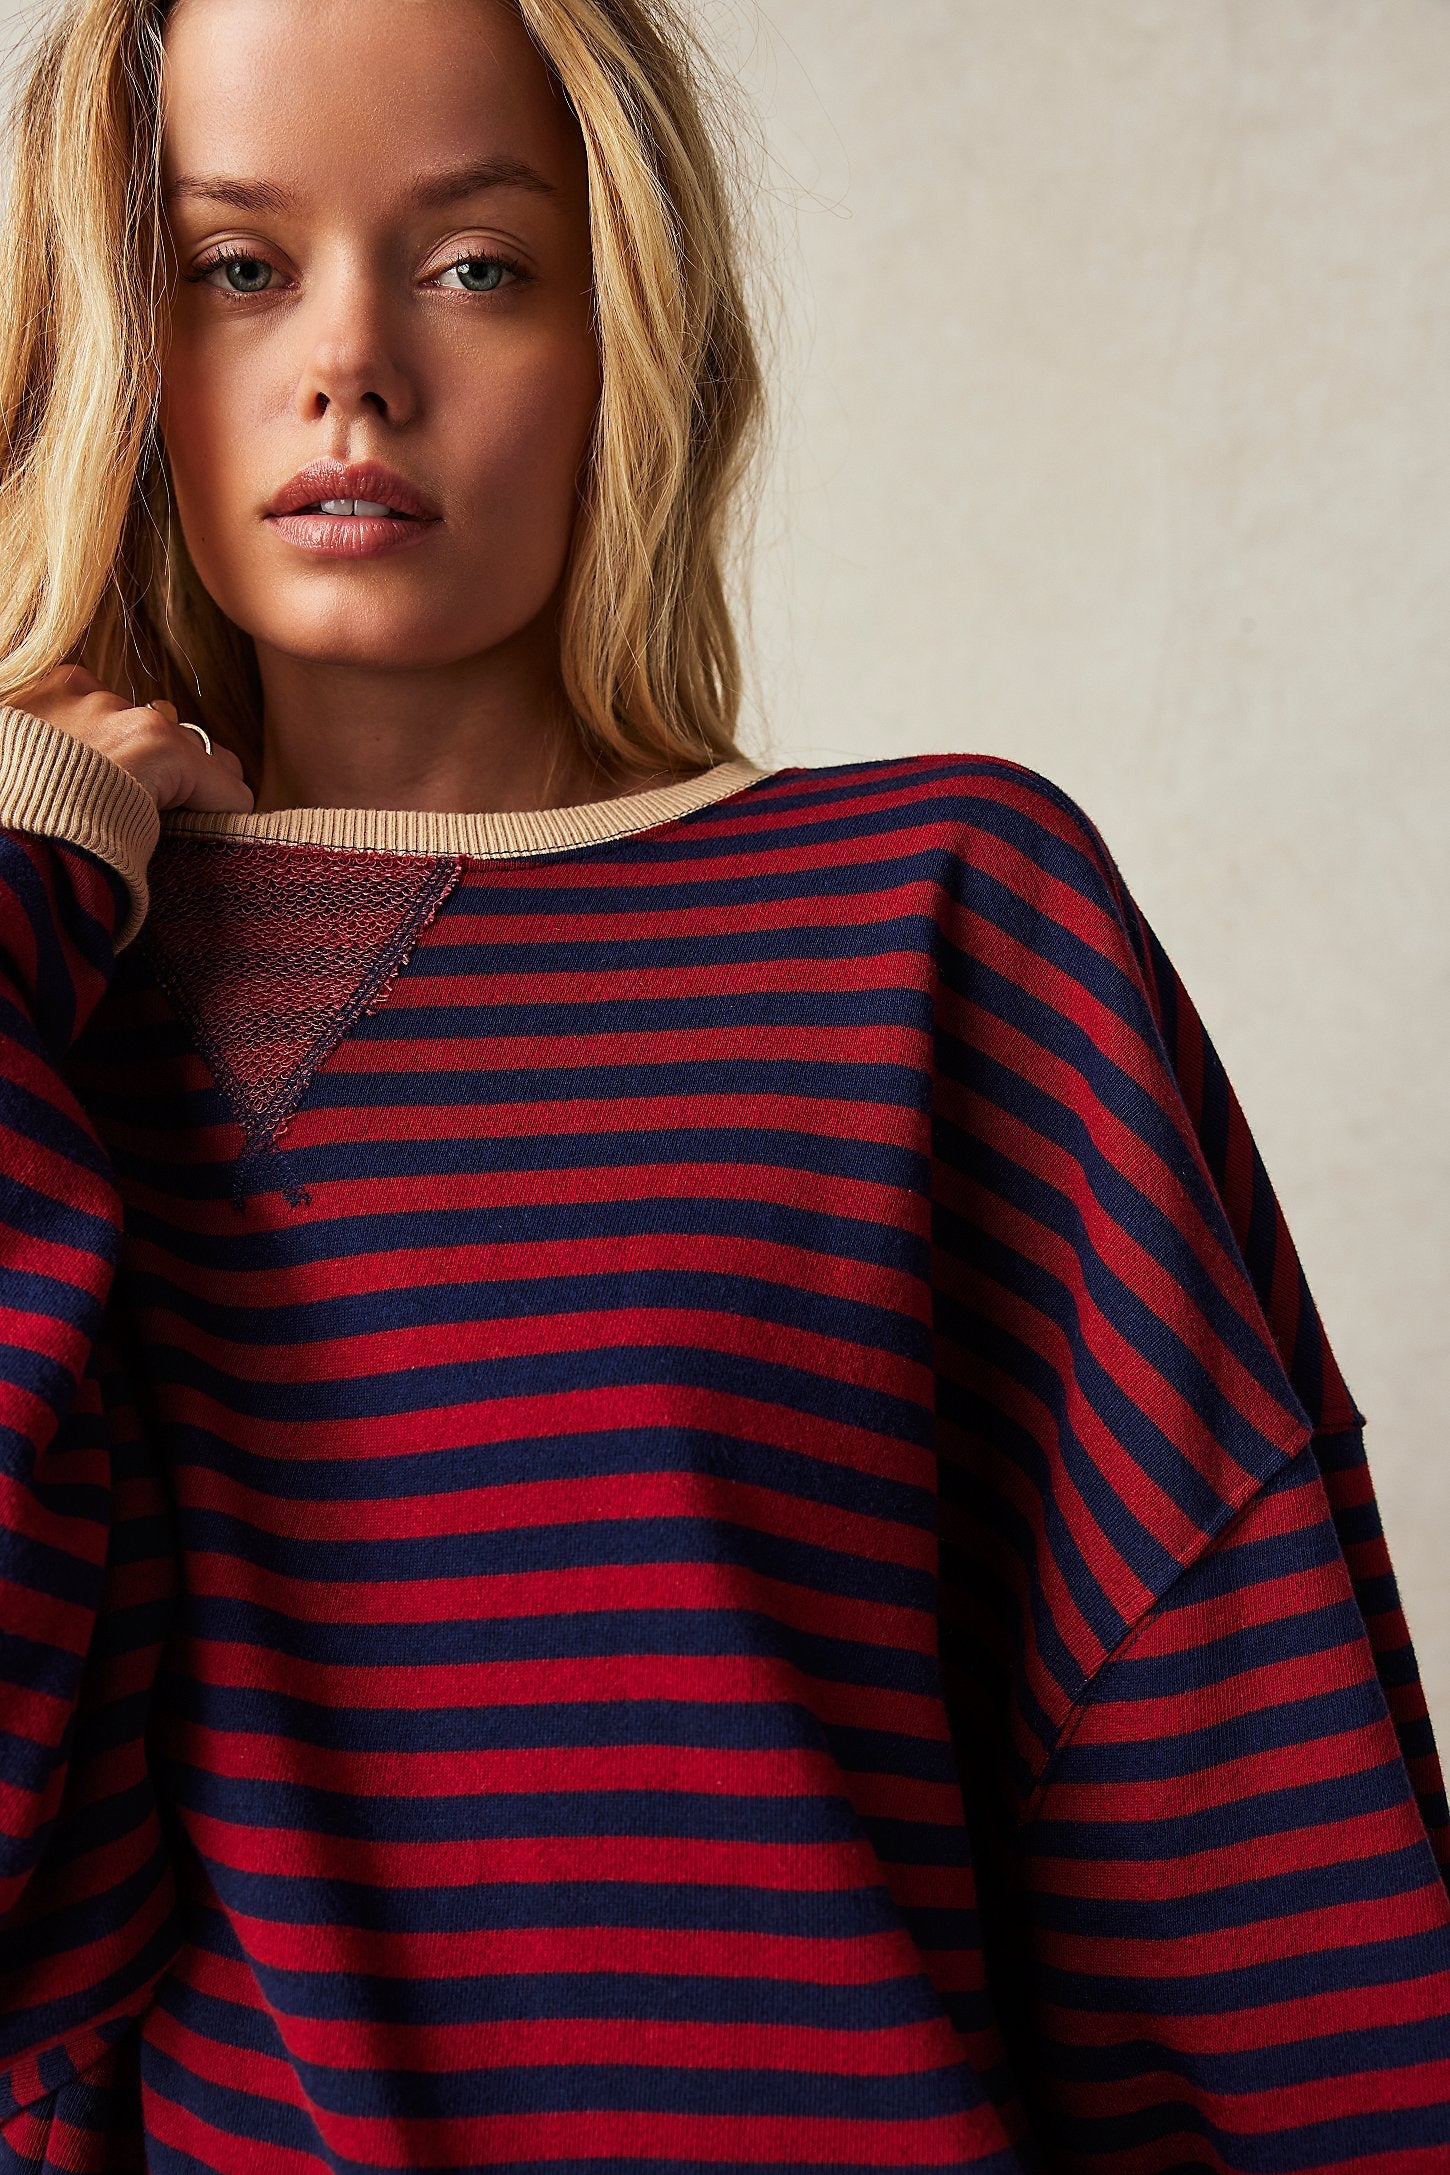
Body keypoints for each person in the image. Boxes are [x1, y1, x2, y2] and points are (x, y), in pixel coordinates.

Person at [0, 0, 1445, 2168]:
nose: (350, 363)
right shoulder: (63, 1015)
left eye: (475, 261)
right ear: (117, 340)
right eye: (236, 264)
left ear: (629, 333)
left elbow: (1256, 1874)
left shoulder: (941, 921)